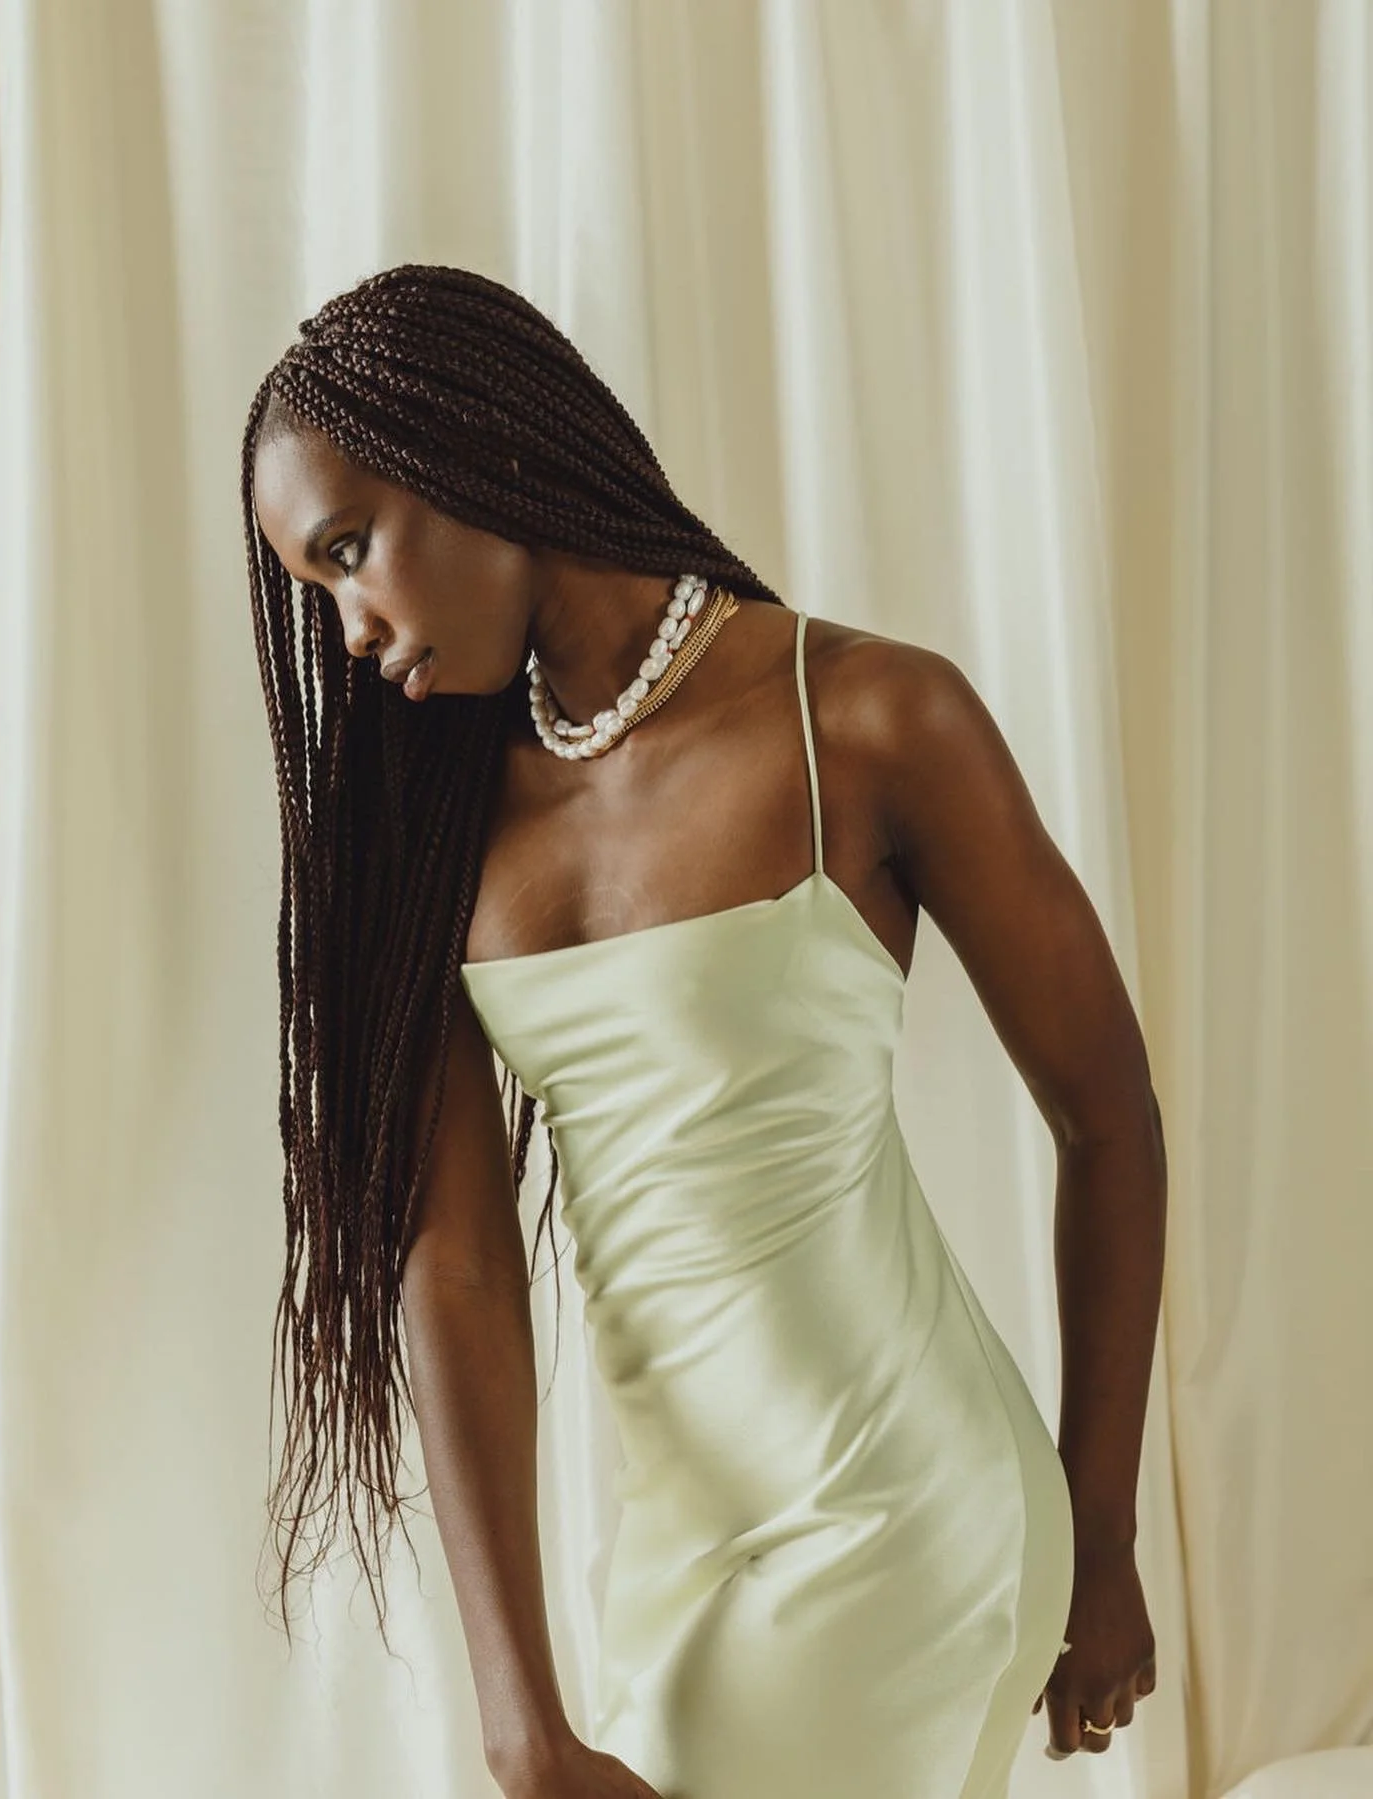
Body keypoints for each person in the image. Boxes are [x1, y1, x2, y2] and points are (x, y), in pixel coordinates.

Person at [242, 262, 1165, 1799]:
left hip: (902, 1505)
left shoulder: (867, 717)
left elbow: (1108, 1109)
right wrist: (519, 1716)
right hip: (679, 1543)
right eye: (314, 588)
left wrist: (1104, 1530)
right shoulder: (438, 826)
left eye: (352, 552)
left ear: (476, 452)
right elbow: (452, 1262)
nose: (348, 626)